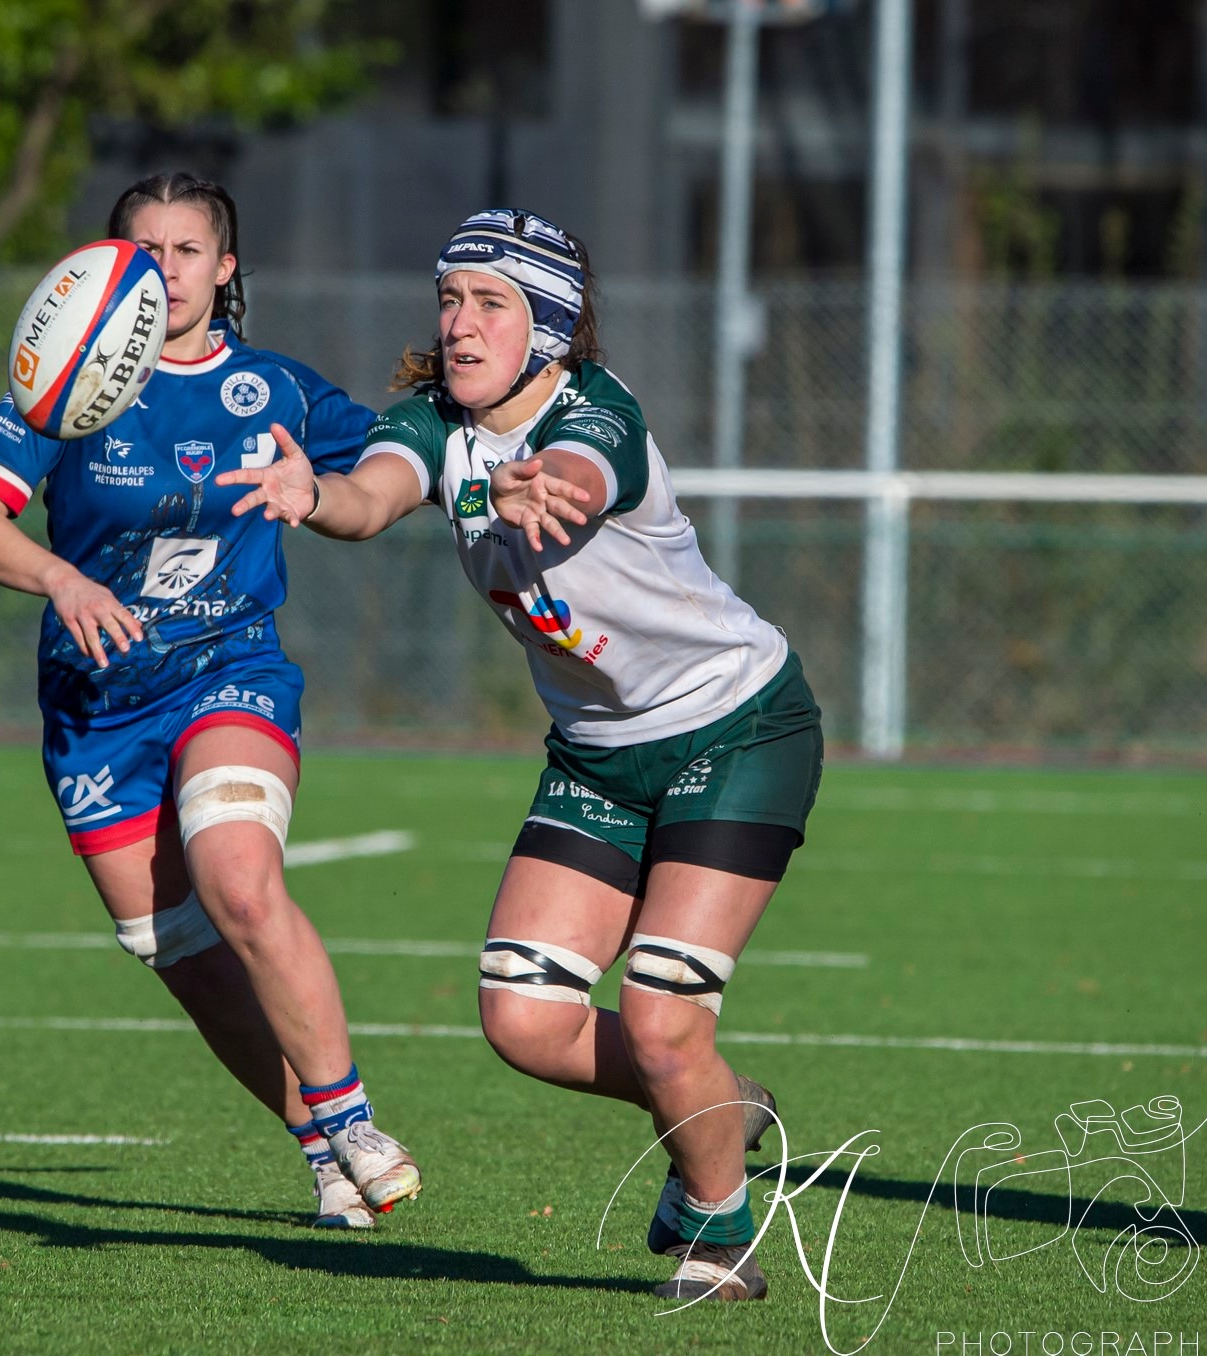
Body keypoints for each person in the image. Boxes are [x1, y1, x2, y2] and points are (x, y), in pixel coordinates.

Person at [219, 208, 822, 1299]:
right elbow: (373, 498)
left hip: (735, 728)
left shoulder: (598, 413)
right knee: (522, 1021)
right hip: (595, 756)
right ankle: (717, 1108)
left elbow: (571, 489)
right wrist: (317, 497)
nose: (457, 323)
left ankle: (717, 1234)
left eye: (488, 302)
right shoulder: (432, 423)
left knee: (658, 1018)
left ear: (545, 324)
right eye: (448, 298)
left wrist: (511, 489)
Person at [0, 172, 422, 1228]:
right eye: (142, 248)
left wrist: (482, 464)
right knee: (184, 959)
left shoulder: (277, 390)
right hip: (96, 709)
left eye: (188, 249)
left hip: (228, 669)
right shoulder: (62, 389)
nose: (165, 268)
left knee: (238, 879)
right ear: (104, 266)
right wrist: (60, 577)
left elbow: (396, 458)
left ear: (225, 268)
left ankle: (352, 1115)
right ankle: (319, 1148)